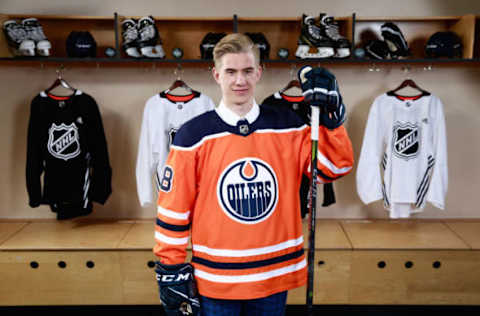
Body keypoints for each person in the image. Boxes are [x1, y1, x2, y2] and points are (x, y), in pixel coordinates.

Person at [153, 33, 354, 316]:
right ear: (216, 74)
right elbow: (174, 209)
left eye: (247, 71)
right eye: (231, 72)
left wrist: (333, 119)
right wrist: (170, 266)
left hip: (272, 276)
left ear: (259, 72)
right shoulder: (193, 135)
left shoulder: (288, 126)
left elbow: (333, 168)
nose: (240, 80)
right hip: (217, 279)